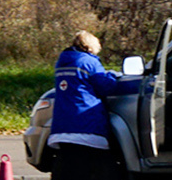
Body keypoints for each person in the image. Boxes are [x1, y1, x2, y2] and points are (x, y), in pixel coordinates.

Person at [49, 30, 138, 159]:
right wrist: (112, 75)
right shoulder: (89, 62)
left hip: (62, 126)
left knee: (69, 165)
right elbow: (106, 87)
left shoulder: (61, 63)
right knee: (92, 166)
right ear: (91, 46)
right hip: (86, 124)